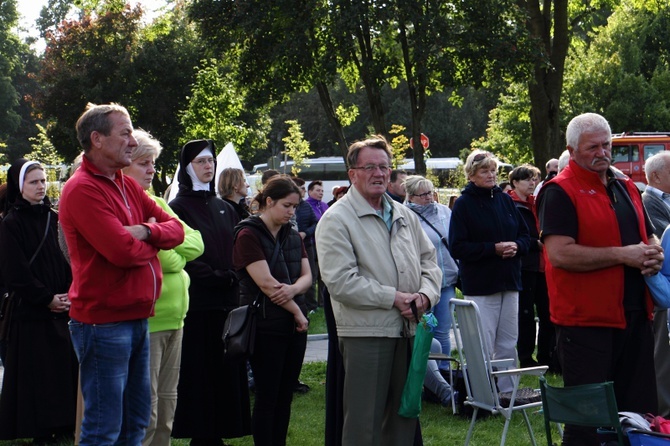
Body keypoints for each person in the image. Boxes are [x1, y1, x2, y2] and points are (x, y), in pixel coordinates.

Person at [59, 103, 185, 445]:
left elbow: (178, 230)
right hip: (103, 324)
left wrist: (145, 232)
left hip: (136, 318)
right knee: (103, 430)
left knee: (135, 425)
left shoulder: (126, 185)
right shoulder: (82, 188)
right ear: (97, 139)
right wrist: (152, 244)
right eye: (125, 132)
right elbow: (120, 252)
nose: (133, 140)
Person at [537, 112, 663, 445]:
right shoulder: (558, 191)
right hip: (586, 324)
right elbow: (560, 254)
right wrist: (624, 255)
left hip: (634, 316)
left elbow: (647, 235)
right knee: (588, 424)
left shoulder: (625, 186)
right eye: (593, 146)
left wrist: (654, 254)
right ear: (572, 149)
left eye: (606, 145)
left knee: (639, 417)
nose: (602, 152)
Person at [316, 135, 441, 446]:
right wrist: (394, 298)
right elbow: (341, 281)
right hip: (366, 334)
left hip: (408, 329)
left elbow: (430, 261)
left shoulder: (404, 214)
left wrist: (425, 295)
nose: (379, 173)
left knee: (404, 418)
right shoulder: (336, 219)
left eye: (384, 167)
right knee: (364, 424)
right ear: (352, 174)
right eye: (369, 166)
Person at [121, 130, 205, 446]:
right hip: (147, 321)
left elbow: (196, 243)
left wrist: (154, 239)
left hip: (175, 319)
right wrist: (167, 243)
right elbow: (170, 261)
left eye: (153, 163)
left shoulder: (156, 202)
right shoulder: (119, 206)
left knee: (167, 409)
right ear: (123, 164)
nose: (152, 170)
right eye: (144, 163)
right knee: (147, 412)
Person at [169, 139, 251, 445]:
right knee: (200, 374)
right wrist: (217, 277)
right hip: (199, 306)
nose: (208, 166)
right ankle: (201, 436)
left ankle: (220, 433)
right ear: (187, 167)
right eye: (201, 162)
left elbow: (236, 247)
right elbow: (185, 256)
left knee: (225, 373)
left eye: (211, 161)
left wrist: (233, 274)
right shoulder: (178, 207)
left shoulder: (225, 207)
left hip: (227, 305)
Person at [0, 159, 77, 445]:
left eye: (43, 180)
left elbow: (69, 257)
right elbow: (14, 271)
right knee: (39, 374)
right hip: (33, 310)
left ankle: (66, 422)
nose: (41, 186)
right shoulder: (11, 223)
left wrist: (69, 293)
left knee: (63, 369)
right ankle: (42, 430)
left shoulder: (55, 217)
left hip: (63, 305)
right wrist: (45, 299)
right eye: (34, 182)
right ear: (20, 187)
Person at [233, 175, 310, 446]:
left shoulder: (291, 234)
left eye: (295, 207)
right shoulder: (247, 234)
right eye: (286, 206)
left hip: (293, 326)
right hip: (266, 325)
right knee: (267, 395)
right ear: (268, 201)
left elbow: (307, 276)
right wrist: (298, 311)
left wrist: (293, 290)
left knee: (285, 394)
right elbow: (267, 284)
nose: (291, 212)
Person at [448, 150, 530, 394]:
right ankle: (482, 393)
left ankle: (508, 393)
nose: (491, 175)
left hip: (510, 281)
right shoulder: (463, 204)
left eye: (493, 170)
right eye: (484, 171)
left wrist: (517, 246)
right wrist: (492, 249)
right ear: (471, 175)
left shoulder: (505, 200)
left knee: (508, 341)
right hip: (482, 285)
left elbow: (526, 236)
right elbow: (457, 246)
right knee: (482, 343)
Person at [404, 175, 459, 376]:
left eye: (430, 192)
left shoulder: (444, 212)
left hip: (446, 282)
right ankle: (426, 376)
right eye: (423, 194)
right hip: (421, 286)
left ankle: (444, 373)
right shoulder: (405, 216)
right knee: (425, 331)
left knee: (443, 329)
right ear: (410, 196)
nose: (429, 197)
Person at [507, 164, 555, 370]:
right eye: (527, 179)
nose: (532, 183)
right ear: (515, 183)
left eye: (534, 179)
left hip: (543, 265)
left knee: (547, 313)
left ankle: (546, 356)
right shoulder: (510, 204)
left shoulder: (537, 202)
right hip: (524, 266)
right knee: (525, 315)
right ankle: (526, 358)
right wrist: (534, 242)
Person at [641, 151, 670, 417]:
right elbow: (660, 239)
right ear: (658, 175)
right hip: (663, 295)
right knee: (663, 360)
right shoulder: (648, 201)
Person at [293, 177, 319, 313]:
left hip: (307, 244)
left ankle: (311, 306)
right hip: (291, 247)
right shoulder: (291, 204)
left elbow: (315, 223)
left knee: (311, 275)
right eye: (302, 187)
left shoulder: (306, 206)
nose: (305, 190)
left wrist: (305, 233)